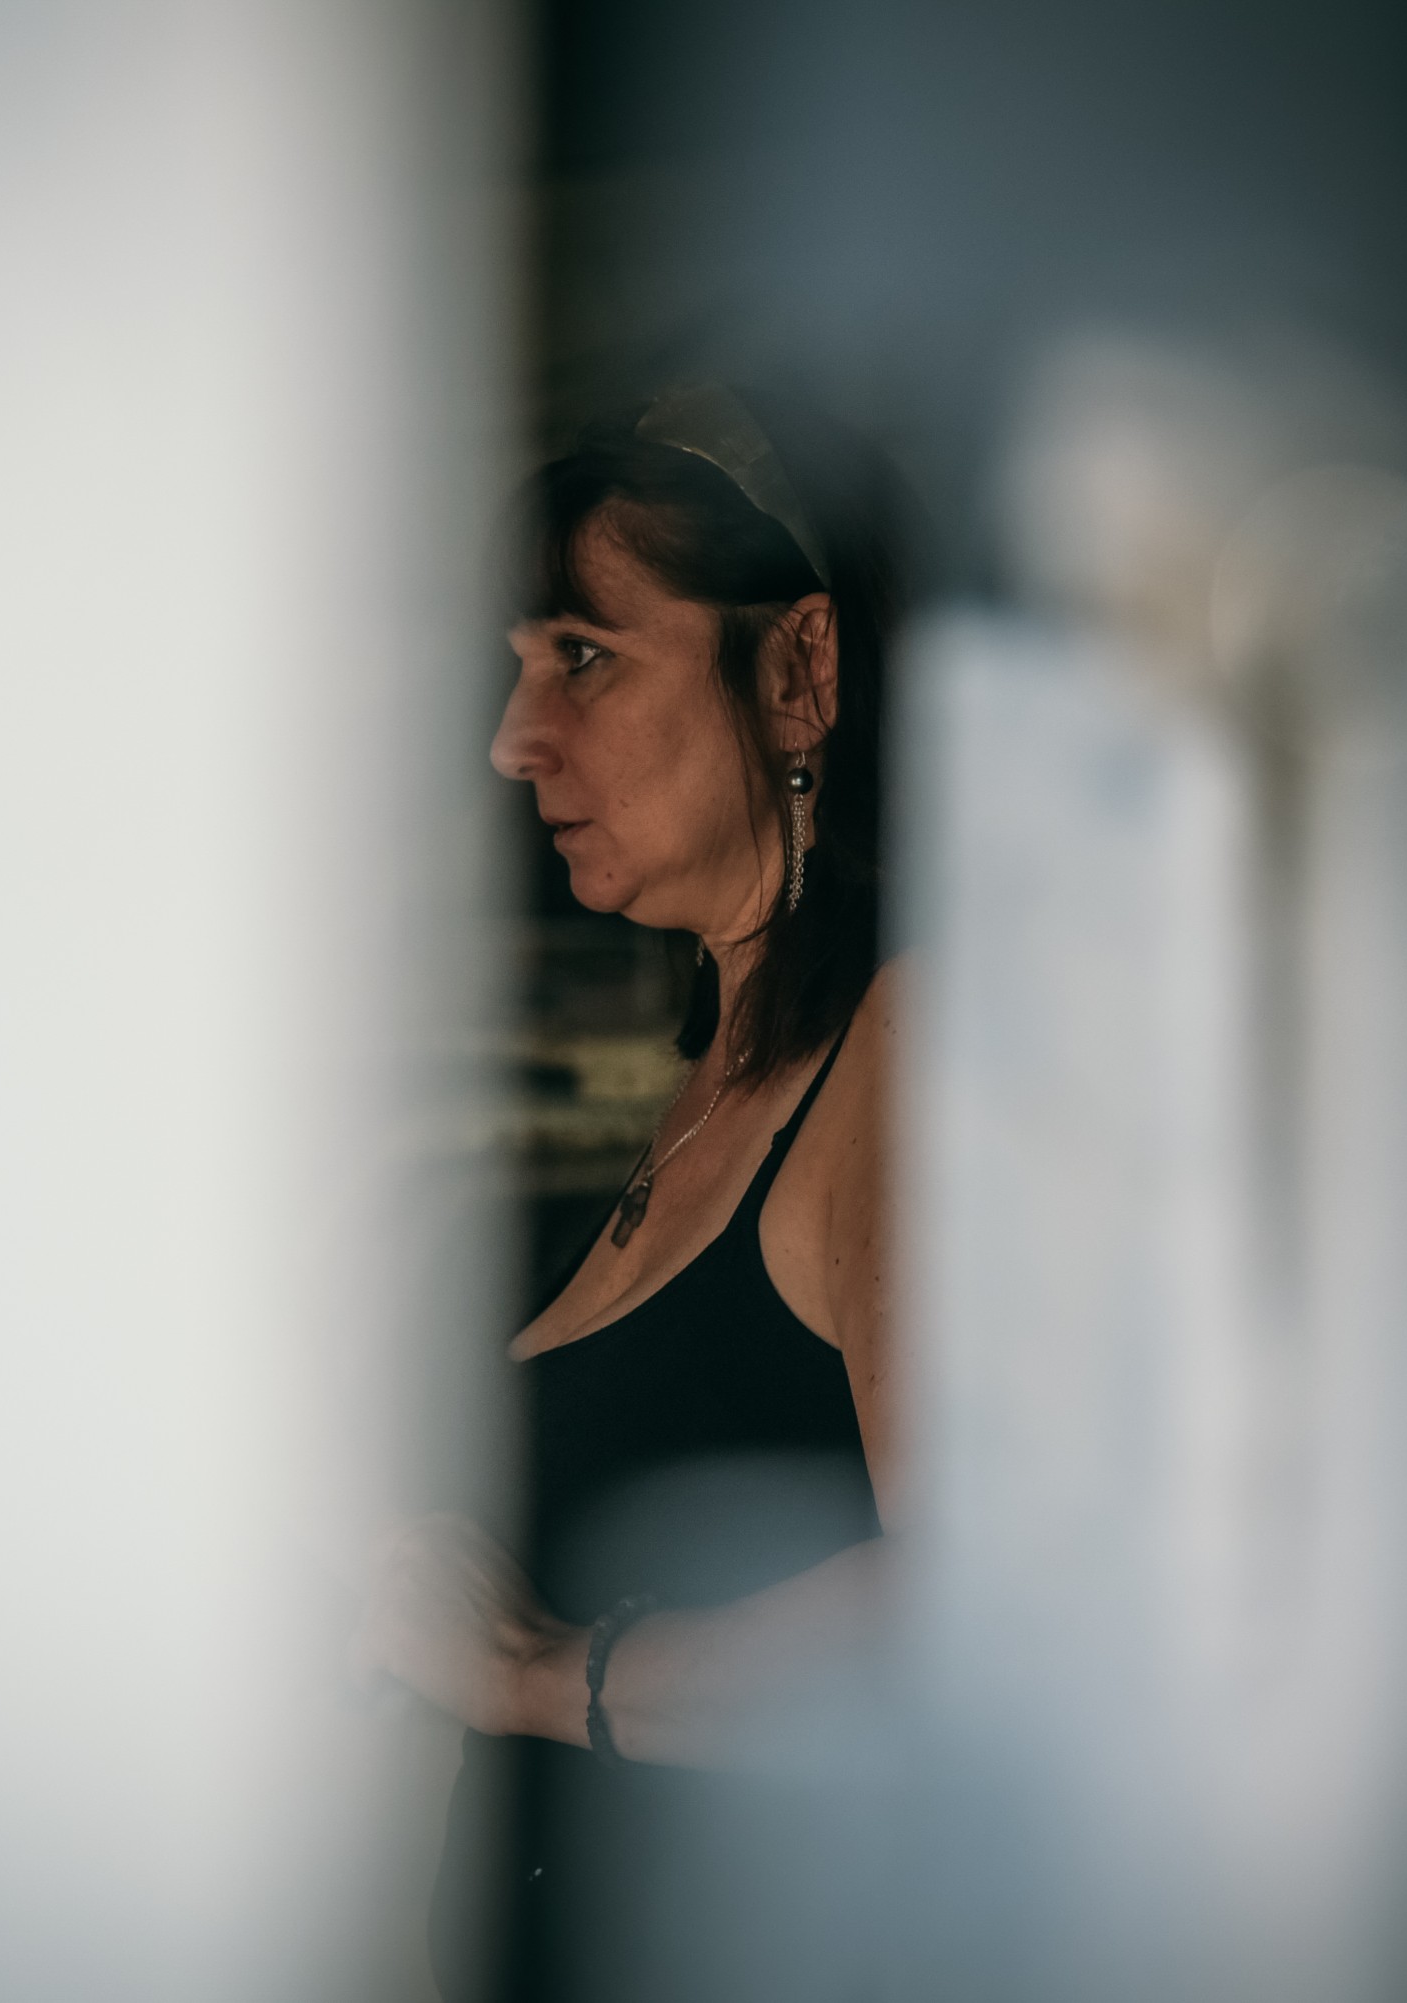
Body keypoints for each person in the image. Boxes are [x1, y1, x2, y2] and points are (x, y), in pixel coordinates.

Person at [354, 385, 915, 2002]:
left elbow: (988, 1608)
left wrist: (547, 1675)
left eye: (584, 658)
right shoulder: (712, 1092)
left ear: (800, 670)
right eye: (517, 667)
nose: (514, 738)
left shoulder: (906, 1044)